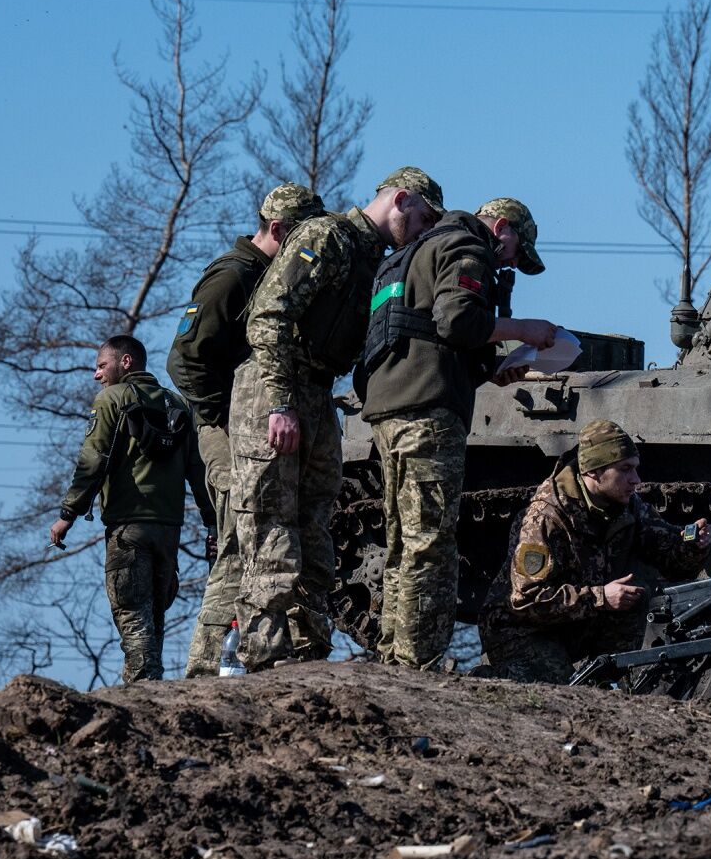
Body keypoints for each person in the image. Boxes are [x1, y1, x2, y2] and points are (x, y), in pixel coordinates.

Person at [231, 166, 445, 671]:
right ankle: (266, 653)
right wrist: (280, 403)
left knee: (315, 524)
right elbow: (269, 315)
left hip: (318, 392)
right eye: (424, 217)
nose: (424, 229)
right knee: (270, 520)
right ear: (401, 199)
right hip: (276, 386)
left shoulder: (376, 261)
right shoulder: (326, 235)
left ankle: (308, 649)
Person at [357, 196, 564, 669]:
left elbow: (422, 331)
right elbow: (457, 321)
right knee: (430, 542)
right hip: (428, 410)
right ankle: (418, 661)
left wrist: (490, 370)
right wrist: (524, 329)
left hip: (391, 408)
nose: (508, 263)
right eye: (514, 251)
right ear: (501, 226)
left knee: (403, 541)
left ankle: (394, 654)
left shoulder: (413, 252)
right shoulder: (466, 246)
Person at [166, 182, 324, 677]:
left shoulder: (266, 276)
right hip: (225, 430)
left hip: (246, 425)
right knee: (239, 539)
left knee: (257, 539)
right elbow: (184, 360)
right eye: (300, 236)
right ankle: (205, 666)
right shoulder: (234, 276)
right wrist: (225, 418)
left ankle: (240, 659)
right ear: (277, 229)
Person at [479, 420, 711, 681]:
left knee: (634, 598)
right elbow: (525, 600)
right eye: (625, 469)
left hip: (573, 622)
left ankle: (611, 681)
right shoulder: (546, 518)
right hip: (520, 629)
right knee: (560, 690)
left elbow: (671, 559)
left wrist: (693, 546)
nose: (636, 480)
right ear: (594, 472)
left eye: (635, 468)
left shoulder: (627, 507)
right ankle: (487, 678)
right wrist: (601, 597)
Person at [50, 335, 215, 684]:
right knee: (154, 612)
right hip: (169, 528)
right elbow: (198, 471)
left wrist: (68, 514)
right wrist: (213, 522)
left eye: (101, 365)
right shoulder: (177, 404)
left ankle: (143, 684)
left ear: (125, 362)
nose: (96, 374)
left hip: (128, 527)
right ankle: (152, 684)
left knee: (132, 611)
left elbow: (93, 459)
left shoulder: (111, 399)